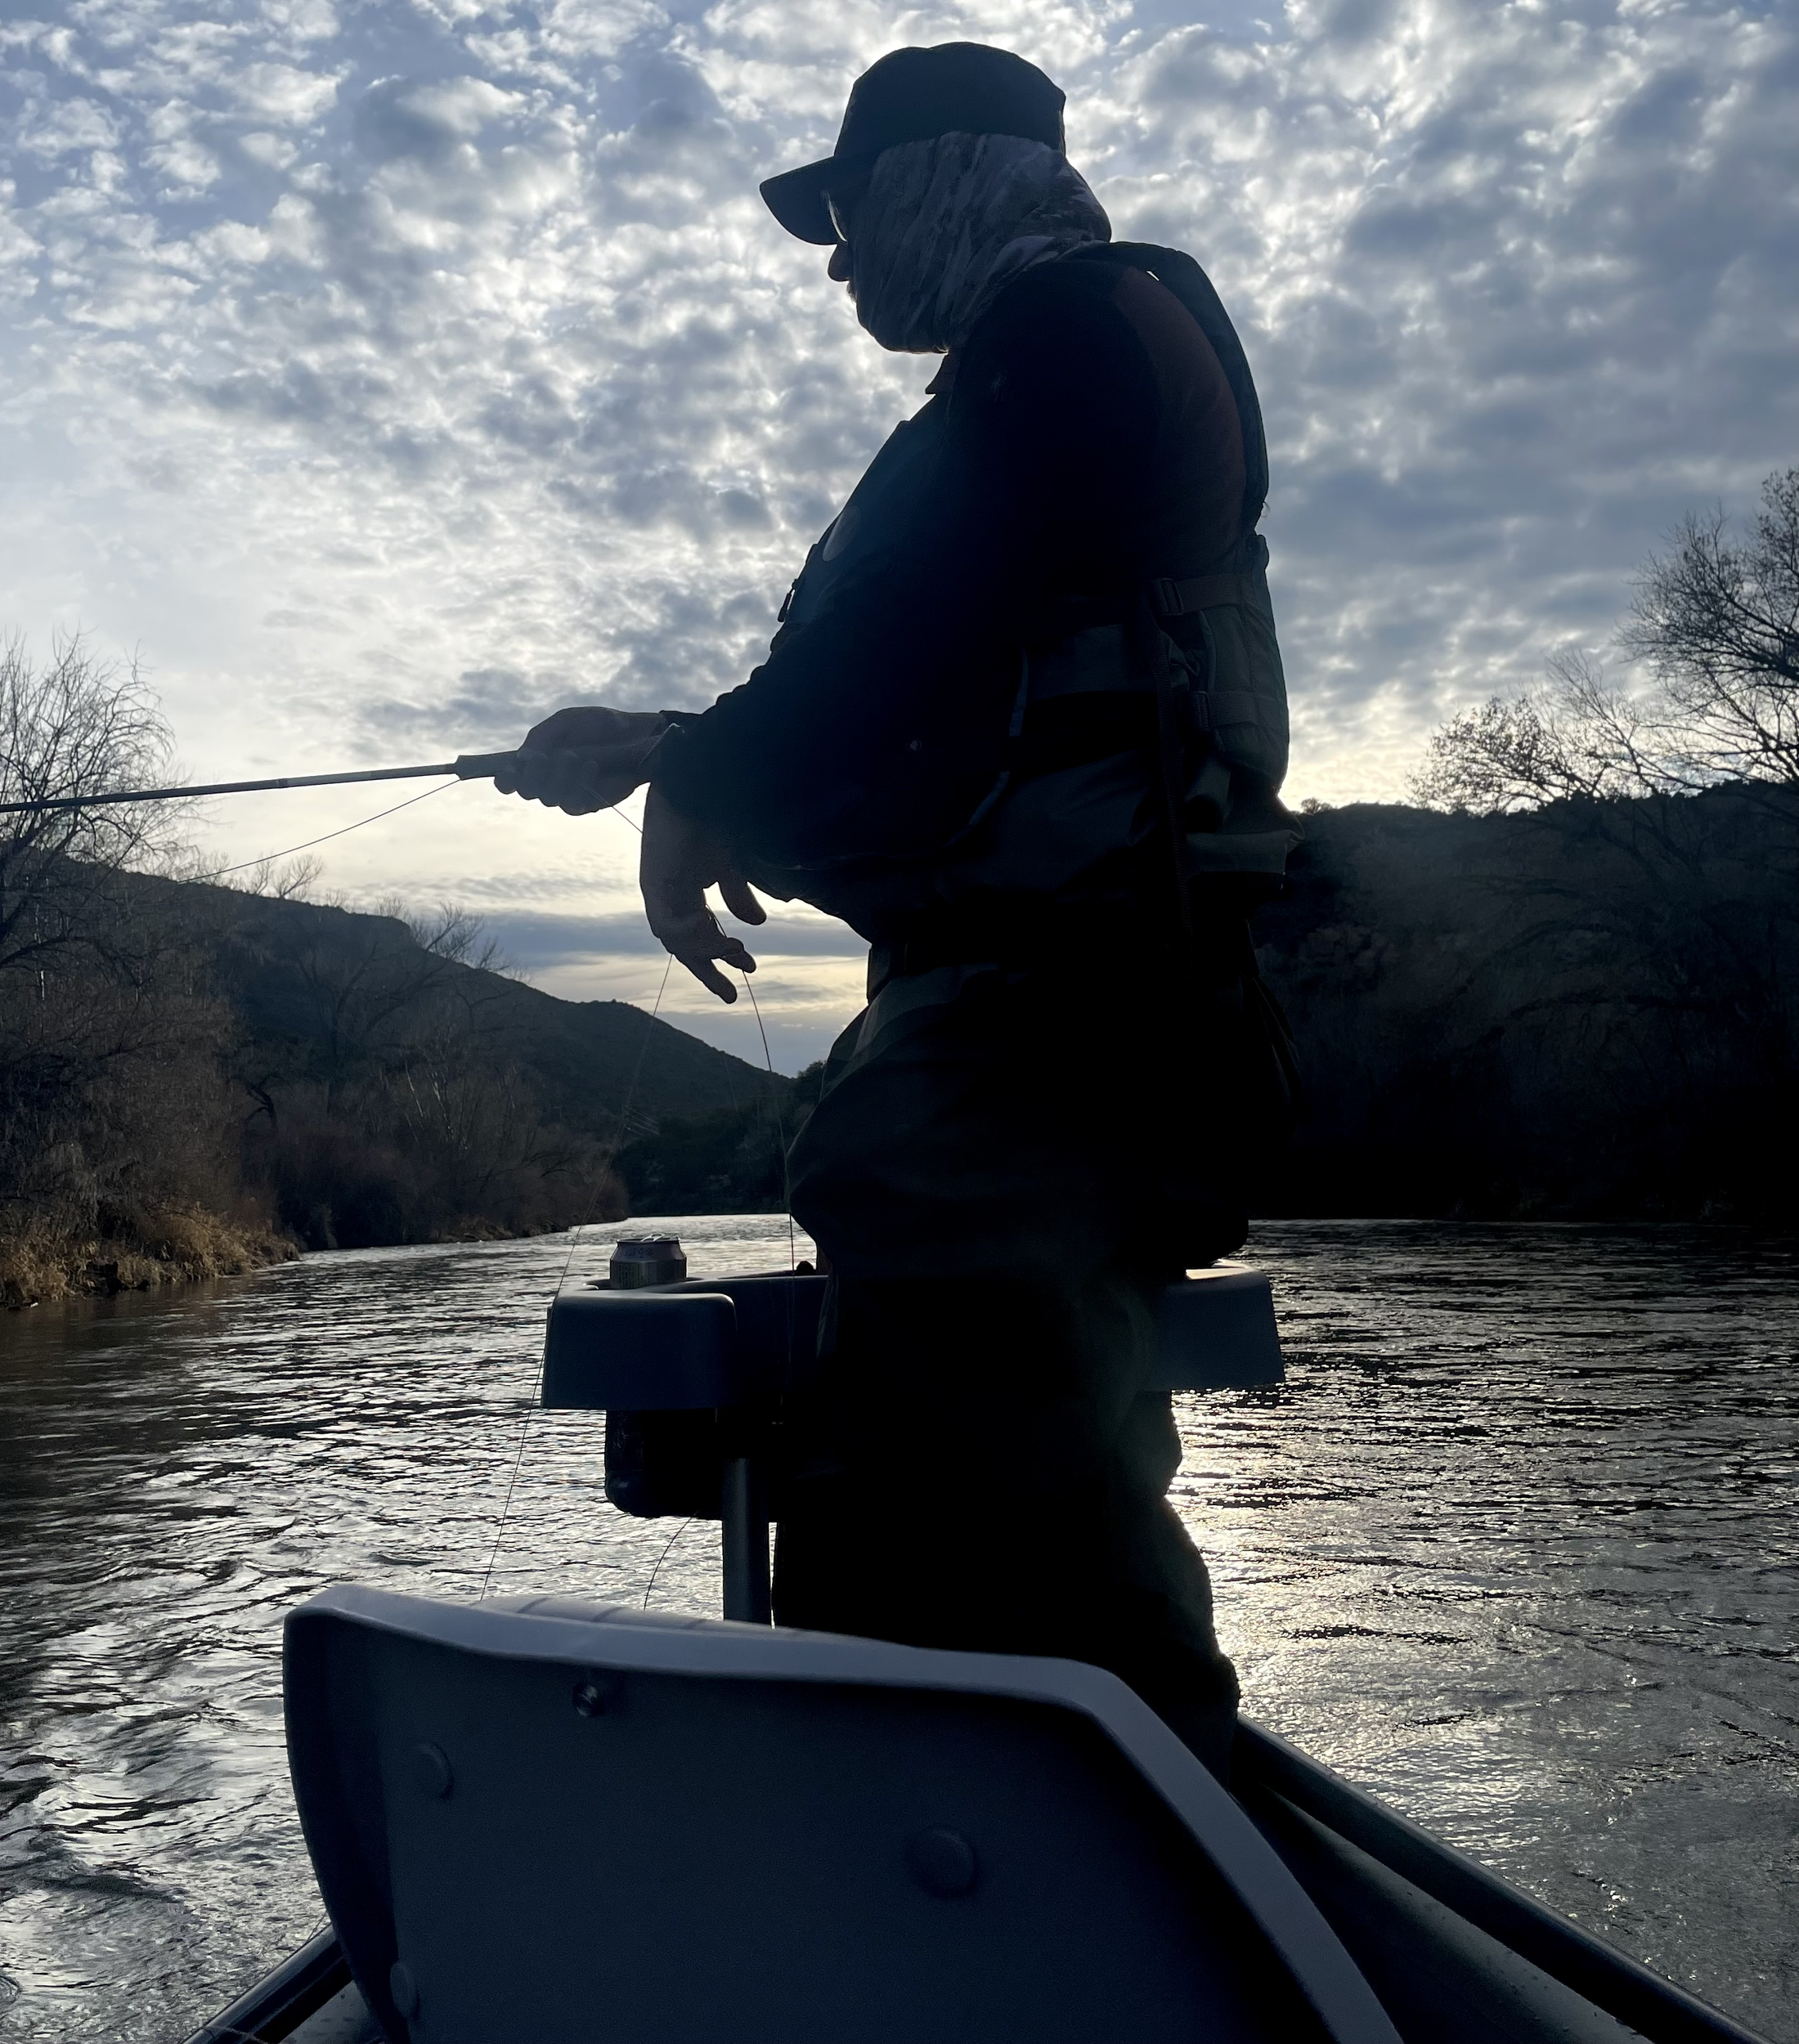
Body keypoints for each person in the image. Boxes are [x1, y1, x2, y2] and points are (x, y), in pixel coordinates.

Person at [492, 43, 1299, 1775]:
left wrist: (680, 763)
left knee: (1006, 1535)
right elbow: (927, 708)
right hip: (1055, 1025)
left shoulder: (1066, 350)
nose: (837, 259)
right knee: (993, 1512)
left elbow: (873, 668)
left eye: (849, 214)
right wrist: (681, 758)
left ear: (942, 177)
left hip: (1043, 1041)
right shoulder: (1054, 370)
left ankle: (1101, 1880)